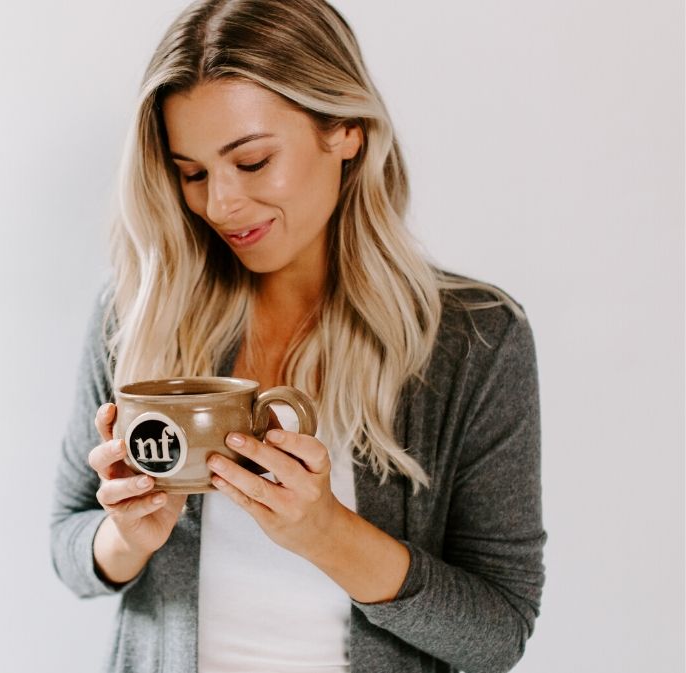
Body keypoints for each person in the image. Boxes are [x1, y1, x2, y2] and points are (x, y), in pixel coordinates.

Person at [50, 0, 545, 671]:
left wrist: (327, 532)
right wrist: (127, 536)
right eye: (191, 172)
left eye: (251, 161)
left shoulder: (475, 338)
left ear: (345, 130)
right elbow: (70, 546)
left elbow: (497, 633)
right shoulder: (139, 310)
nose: (219, 203)